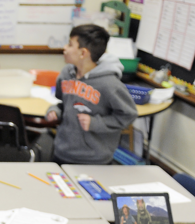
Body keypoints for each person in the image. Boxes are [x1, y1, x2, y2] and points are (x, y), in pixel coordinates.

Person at [45, 24, 137, 165]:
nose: (65, 48)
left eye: (70, 45)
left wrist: (96, 123)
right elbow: (65, 104)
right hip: (62, 152)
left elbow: (128, 115)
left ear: (83, 53)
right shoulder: (66, 74)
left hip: (94, 159)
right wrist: (55, 110)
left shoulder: (110, 84)